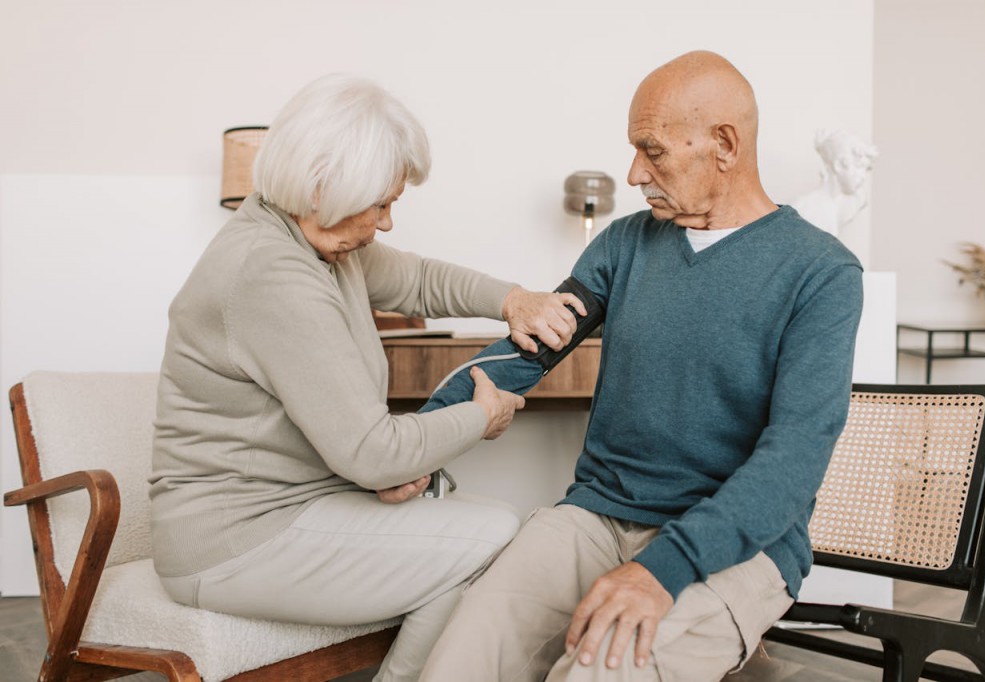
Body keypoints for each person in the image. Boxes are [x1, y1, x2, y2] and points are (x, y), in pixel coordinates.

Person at [419, 50, 864, 681]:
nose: (634, 173)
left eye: (652, 150)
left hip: (737, 546)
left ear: (725, 145)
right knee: (463, 653)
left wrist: (665, 569)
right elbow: (528, 353)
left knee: (601, 669)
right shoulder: (625, 244)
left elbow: (793, 461)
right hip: (597, 516)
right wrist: (419, 440)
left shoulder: (821, 272)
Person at [148, 74, 584, 682]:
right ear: (324, 186)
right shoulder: (271, 274)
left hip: (293, 507)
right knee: (492, 534)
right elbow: (373, 454)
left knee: (468, 526)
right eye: (381, 203)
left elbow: (418, 280)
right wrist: (481, 417)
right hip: (235, 541)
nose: (386, 222)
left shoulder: (312, 239)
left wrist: (511, 299)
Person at [791, 128, 879, 237]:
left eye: (865, 169)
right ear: (839, 166)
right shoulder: (810, 209)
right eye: (859, 167)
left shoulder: (845, 203)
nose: (863, 176)